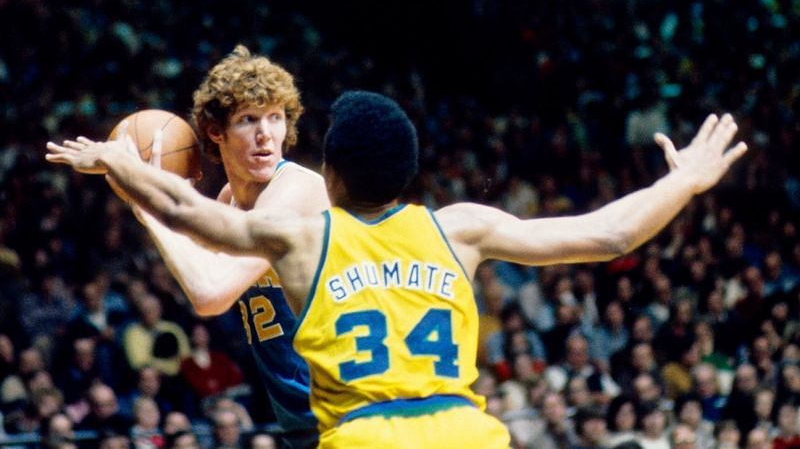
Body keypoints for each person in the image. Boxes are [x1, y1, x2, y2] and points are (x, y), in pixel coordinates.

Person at [47, 91, 747, 447]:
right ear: (410, 173)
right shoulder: (459, 228)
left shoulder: (304, 240)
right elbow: (607, 233)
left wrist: (125, 171)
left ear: (330, 174)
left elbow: (198, 220)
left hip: (366, 435)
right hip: (466, 432)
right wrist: (681, 182)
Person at [124, 45, 329, 448]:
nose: (266, 133)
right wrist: (163, 198)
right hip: (300, 417)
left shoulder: (298, 191)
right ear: (215, 131)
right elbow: (197, 270)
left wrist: (151, 207)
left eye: (276, 117)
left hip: (348, 412)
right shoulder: (226, 203)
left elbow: (209, 294)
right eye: (248, 120)